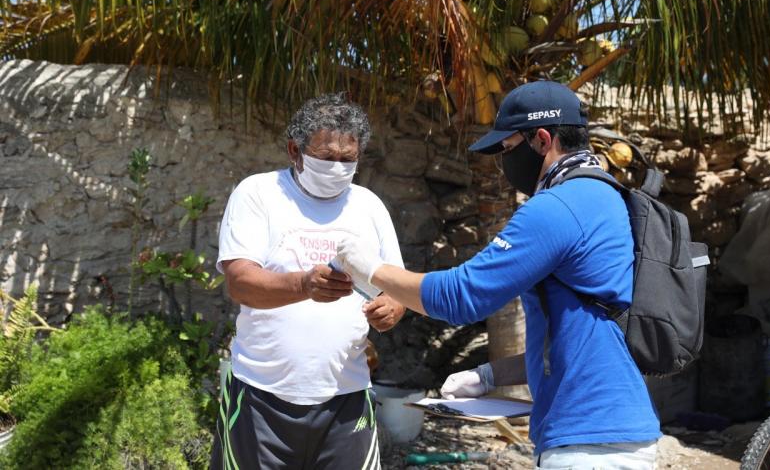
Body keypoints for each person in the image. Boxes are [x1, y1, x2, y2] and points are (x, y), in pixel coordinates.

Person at [334, 81, 661, 469]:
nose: (504, 164)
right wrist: (491, 375)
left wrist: (370, 268)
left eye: (507, 149)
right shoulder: (607, 196)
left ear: (541, 139)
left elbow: (463, 296)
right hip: (616, 431)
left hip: (588, 444)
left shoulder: (558, 207)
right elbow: (580, 338)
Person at [211, 93, 406, 470]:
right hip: (261, 399)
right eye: (326, 158)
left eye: (347, 160)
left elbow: (395, 286)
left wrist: (392, 307)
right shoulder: (258, 194)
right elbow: (239, 282)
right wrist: (303, 285)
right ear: (294, 151)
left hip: (347, 402)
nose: (336, 168)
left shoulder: (369, 207)